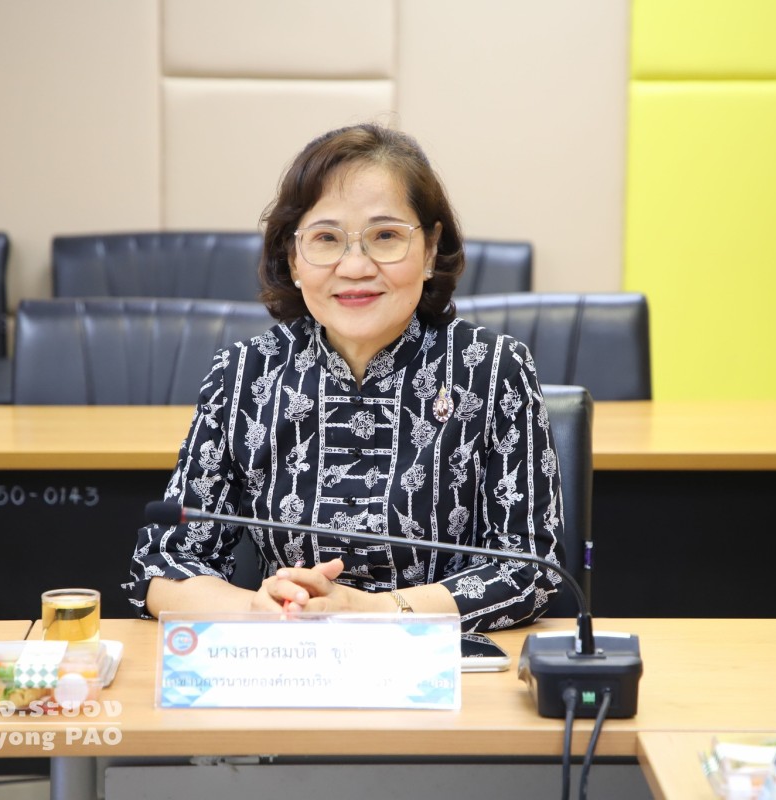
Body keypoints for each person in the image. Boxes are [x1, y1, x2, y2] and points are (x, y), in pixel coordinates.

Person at [124, 123, 566, 632]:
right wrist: (255, 611)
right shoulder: (244, 373)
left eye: (385, 236)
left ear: (429, 250)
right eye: (326, 239)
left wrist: (371, 611)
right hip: (289, 654)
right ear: (293, 259)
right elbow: (162, 563)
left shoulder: (493, 369)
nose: (355, 267)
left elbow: (530, 570)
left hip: (442, 663)